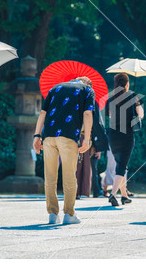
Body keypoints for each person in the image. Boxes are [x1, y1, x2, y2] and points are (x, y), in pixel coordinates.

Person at [33, 77, 94, 225]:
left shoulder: (55, 87)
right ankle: (69, 214)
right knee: (69, 176)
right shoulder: (87, 90)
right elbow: (87, 114)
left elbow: (42, 113)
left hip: (48, 136)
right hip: (68, 135)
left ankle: (53, 214)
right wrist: (86, 138)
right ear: (87, 83)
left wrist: (36, 136)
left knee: (50, 176)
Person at [106, 73, 144, 207]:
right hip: (126, 134)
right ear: (127, 84)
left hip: (113, 134)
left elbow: (110, 116)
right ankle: (113, 194)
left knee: (120, 164)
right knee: (122, 165)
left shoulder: (110, 98)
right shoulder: (133, 96)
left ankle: (124, 196)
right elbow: (141, 115)